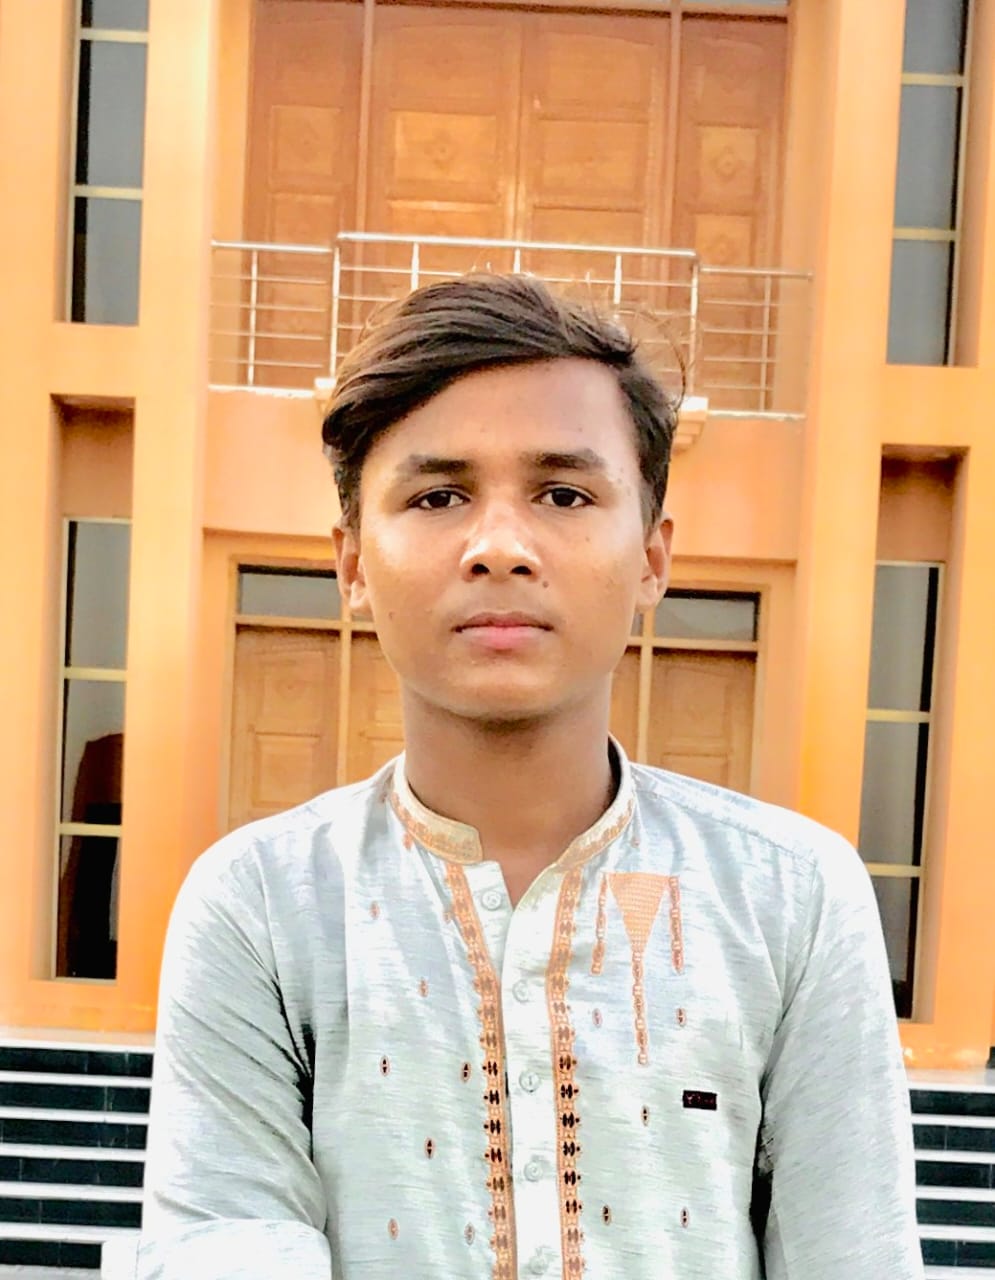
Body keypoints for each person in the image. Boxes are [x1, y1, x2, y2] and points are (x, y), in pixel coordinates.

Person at [138, 274, 924, 1279]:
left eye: (562, 494)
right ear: (351, 563)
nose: (499, 547)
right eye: (438, 496)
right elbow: (226, 1244)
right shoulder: (260, 906)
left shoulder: (790, 898)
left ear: (651, 558)